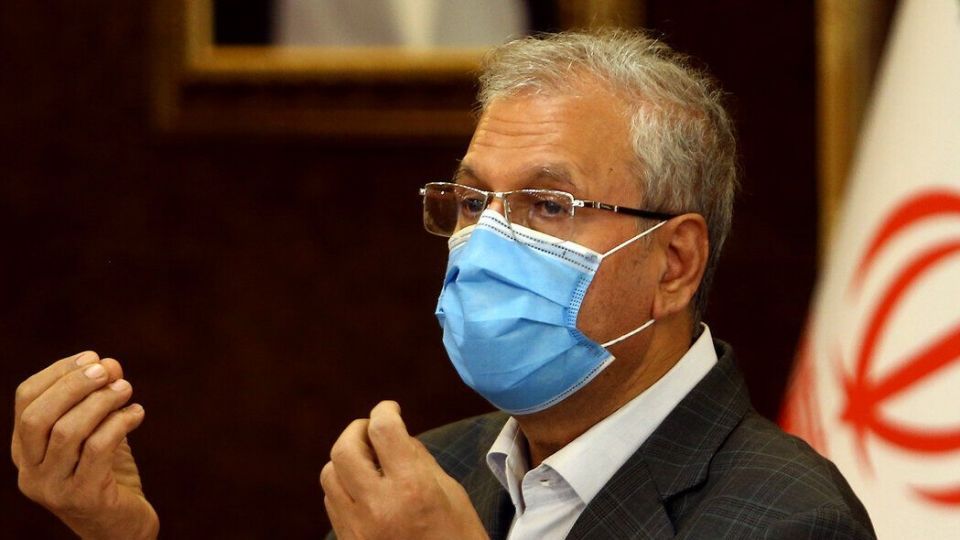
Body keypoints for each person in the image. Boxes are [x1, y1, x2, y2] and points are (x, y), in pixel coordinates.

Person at [11, 30, 875, 539]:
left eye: (547, 205)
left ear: (674, 263)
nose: (486, 242)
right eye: (471, 201)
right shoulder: (436, 470)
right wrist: (119, 536)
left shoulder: (787, 519)